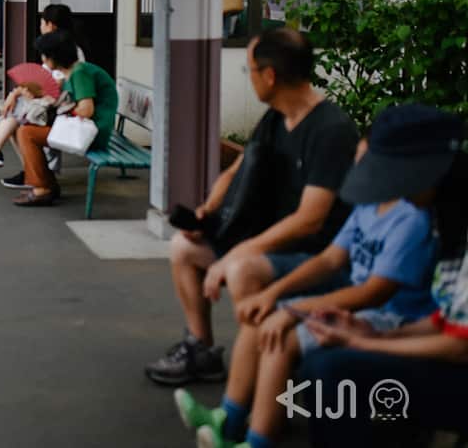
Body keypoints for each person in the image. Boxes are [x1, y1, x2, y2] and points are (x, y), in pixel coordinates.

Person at [174, 107, 443, 448]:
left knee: (283, 336)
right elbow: (331, 258)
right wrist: (274, 295)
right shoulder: (367, 207)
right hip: (358, 302)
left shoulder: (411, 220)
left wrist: (291, 309)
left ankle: (258, 440)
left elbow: (374, 293)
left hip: (392, 316)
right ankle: (228, 419)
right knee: (262, 317)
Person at [144, 27, 359, 387]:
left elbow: (310, 220)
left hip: (316, 254)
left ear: (271, 75)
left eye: (250, 71)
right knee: (185, 247)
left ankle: (267, 371)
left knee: (244, 269)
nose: (250, 79)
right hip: (269, 239)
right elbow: (236, 170)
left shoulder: (331, 131)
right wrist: (207, 212)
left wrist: (236, 254)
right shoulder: (276, 118)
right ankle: (201, 350)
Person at [297, 106, 467, 448]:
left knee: (335, 372)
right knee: (322, 366)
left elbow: (460, 347)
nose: (397, 193)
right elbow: (449, 317)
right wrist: (375, 333)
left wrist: (365, 343)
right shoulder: (445, 217)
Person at [9, 31, 117, 206]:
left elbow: (86, 110)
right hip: (90, 128)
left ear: (54, 56)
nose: (42, 59)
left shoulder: (80, 73)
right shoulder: (75, 71)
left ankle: (42, 188)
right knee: (25, 130)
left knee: (26, 133)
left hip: (92, 133)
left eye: (44, 55)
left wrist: (61, 110)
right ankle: (45, 184)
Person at [0, 80, 61, 167]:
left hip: (51, 114)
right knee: (15, 112)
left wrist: (32, 93)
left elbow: (53, 93)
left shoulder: (62, 75)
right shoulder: (49, 69)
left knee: (18, 119)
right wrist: (16, 93)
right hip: (40, 109)